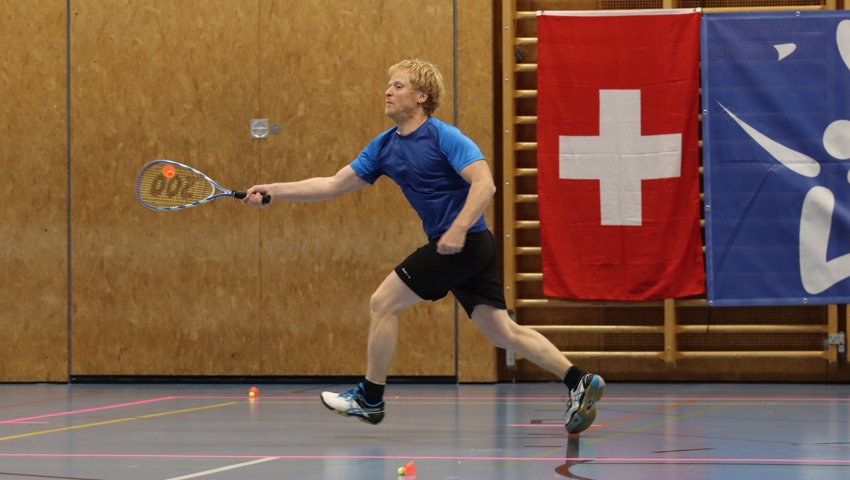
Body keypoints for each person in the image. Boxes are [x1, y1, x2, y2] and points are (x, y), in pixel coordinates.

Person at [242, 59, 605, 434]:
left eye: (398, 86)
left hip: (463, 243)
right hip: (465, 247)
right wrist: (275, 190)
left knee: (382, 303)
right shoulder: (383, 146)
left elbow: (485, 184)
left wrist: (458, 229)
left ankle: (370, 398)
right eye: (388, 85)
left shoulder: (444, 137)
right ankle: (578, 380)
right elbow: (333, 184)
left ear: (421, 97)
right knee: (501, 332)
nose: (387, 91)